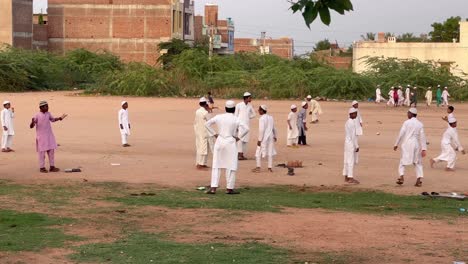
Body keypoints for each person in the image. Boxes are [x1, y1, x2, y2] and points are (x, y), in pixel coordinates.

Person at [205, 100, 249, 195]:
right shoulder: (236, 119)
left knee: (216, 165)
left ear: (225, 108)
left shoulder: (219, 117)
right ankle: (229, 188)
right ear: (234, 109)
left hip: (220, 140)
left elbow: (207, 124)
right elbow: (246, 128)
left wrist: (214, 134)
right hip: (230, 141)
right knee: (231, 165)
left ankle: (213, 188)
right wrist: (239, 138)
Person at [30, 101, 67, 173]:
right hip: (41, 137)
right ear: (40, 108)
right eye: (45, 106)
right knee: (42, 154)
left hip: (49, 136)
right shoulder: (37, 115)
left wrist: (60, 118)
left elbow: (52, 120)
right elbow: (31, 126)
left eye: (47, 106)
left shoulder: (48, 114)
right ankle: (42, 167)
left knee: (51, 152)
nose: (47, 107)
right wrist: (32, 122)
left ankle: (52, 167)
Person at [394, 108, 427, 187]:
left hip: (407, 144)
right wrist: (424, 148)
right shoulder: (420, 124)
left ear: (411, 114)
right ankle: (418, 180)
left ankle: (401, 177)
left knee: (402, 161)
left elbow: (401, 134)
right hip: (416, 144)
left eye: (408, 113)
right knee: (418, 162)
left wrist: (396, 144)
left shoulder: (406, 123)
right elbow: (422, 137)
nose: (407, 114)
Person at [252, 105, 277, 173]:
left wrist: (259, 140)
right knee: (270, 152)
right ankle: (269, 168)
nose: (258, 111)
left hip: (264, 138)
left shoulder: (262, 118)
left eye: (259, 110)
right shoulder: (271, 117)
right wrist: (275, 136)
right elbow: (274, 128)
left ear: (262, 111)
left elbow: (261, 130)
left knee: (258, 152)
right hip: (271, 137)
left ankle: (258, 167)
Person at [235, 92, 256, 160]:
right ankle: (239, 154)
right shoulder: (239, 105)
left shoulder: (250, 105)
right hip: (240, 125)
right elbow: (235, 116)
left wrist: (247, 117)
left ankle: (242, 154)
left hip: (247, 125)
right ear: (246, 98)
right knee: (240, 140)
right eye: (250, 97)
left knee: (245, 141)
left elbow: (254, 114)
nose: (251, 99)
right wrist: (236, 126)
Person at [343, 108, 360, 184]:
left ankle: (346, 176)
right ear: (351, 114)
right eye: (355, 113)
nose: (356, 115)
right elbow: (353, 136)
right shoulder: (351, 123)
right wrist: (356, 146)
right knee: (350, 160)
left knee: (346, 160)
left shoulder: (347, 122)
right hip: (350, 144)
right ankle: (350, 177)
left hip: (347, 143)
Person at [194, 97, 212, 170]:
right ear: (205, 104)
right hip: (204, 132)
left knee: (200, 147)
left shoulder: (197, 111)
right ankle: (200, 164)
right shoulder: (205, 112)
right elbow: (210, 120)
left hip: (199, 131)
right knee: (204, 148)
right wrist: (209, 111)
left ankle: (201, 163)